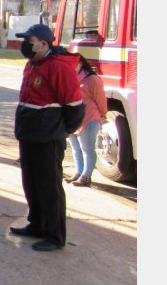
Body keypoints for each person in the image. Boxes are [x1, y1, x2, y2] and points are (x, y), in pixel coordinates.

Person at [10, 24, 85, 252]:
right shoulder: (32, 64)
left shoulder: (59, 68)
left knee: (49, 187)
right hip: (30, 134)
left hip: (47, 137)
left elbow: (74, 107)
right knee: (31, 183)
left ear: (43, 44)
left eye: (29, 41)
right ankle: (37, 224)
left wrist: (63, 130)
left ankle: (55, 235)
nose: (25, 45)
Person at [66, 53, 108, 187]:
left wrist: (103, 114)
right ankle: (79, 172)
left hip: (89, 118)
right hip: (72, 119)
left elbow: (101, 100)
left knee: (87, 148)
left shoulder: (92, 79)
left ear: (80, 63)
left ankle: (86, 176)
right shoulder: (69, 77)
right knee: (75, 147)